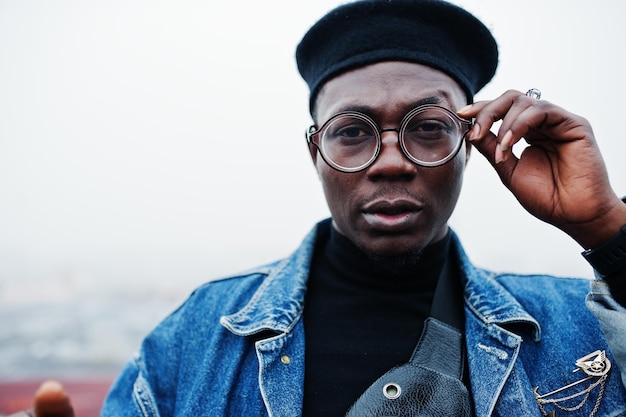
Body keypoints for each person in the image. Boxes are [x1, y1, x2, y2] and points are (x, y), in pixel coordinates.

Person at [10, 0, 626, 415]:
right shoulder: (199, 337)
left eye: (429, 127)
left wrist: (608, 230)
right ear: (315, 153)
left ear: (471, 145)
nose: (391, 161)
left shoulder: (577, 326)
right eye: (352, 131)